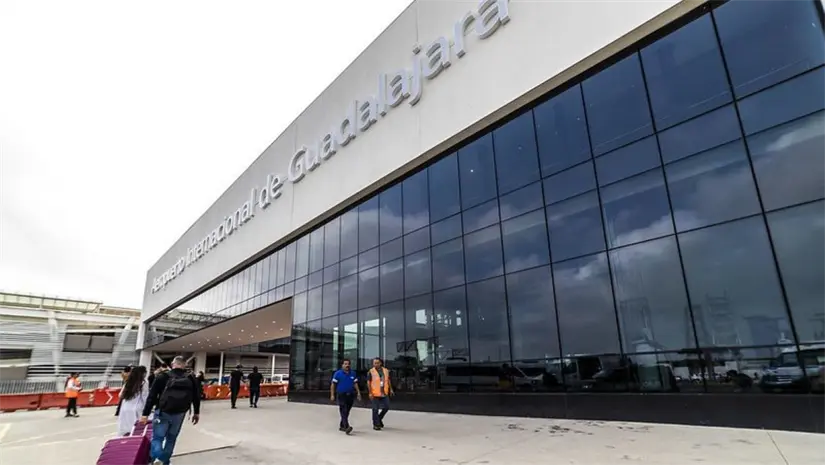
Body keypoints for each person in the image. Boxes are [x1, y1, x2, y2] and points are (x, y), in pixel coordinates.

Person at [140, 356, 201, 465]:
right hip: (180, 413)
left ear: (173, 364)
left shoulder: (162, 376)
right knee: (171, 439)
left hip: (163, 412)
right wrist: (196, 412)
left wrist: (145, 413)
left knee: (158, 438)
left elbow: (152, 396)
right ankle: (164, 461)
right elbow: (196, 396)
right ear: (184, 365)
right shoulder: (191, 378)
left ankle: (158, 458)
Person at [330, 359, 361, 434]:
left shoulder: (353, 373)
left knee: (347, 411)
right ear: (342, 365)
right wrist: (332, 395)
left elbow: (355, 383)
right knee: (343, 410)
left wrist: (358, 393)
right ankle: (347, 427)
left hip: (350, 394)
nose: (347, 365)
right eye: (345, 364)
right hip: (341, 394)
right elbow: (333, 385)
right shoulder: (338, 373)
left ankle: (342, 425)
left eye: (348, 364)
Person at [117, 366, 148, 436]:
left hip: (125, 408)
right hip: (137, 409)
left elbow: (120, 395)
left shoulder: (127, 382)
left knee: (125, 431)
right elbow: (145, 397)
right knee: (137, 432)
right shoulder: (143, 383)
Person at [366, 358, 393, 430]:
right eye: (374, 363)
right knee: (375, 409)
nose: (376, 364)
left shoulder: (386, 371)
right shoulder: (370, 372)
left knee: (386, 407)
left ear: (380, 363)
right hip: (375, 393)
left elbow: (388, 380)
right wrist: (370, 392)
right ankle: (376, 424)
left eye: (377, 363)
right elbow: (368, 383)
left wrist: (391, 389)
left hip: (384, 392)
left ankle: (379, 418)